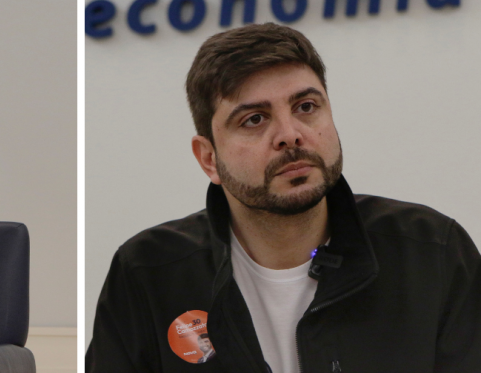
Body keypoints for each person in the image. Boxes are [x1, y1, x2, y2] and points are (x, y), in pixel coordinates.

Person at [87, 24, 481, 372]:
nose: (290, 134)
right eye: (254, 119)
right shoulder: (148, 272)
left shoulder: (433, 252)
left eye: (306, 107)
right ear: (209, 159)